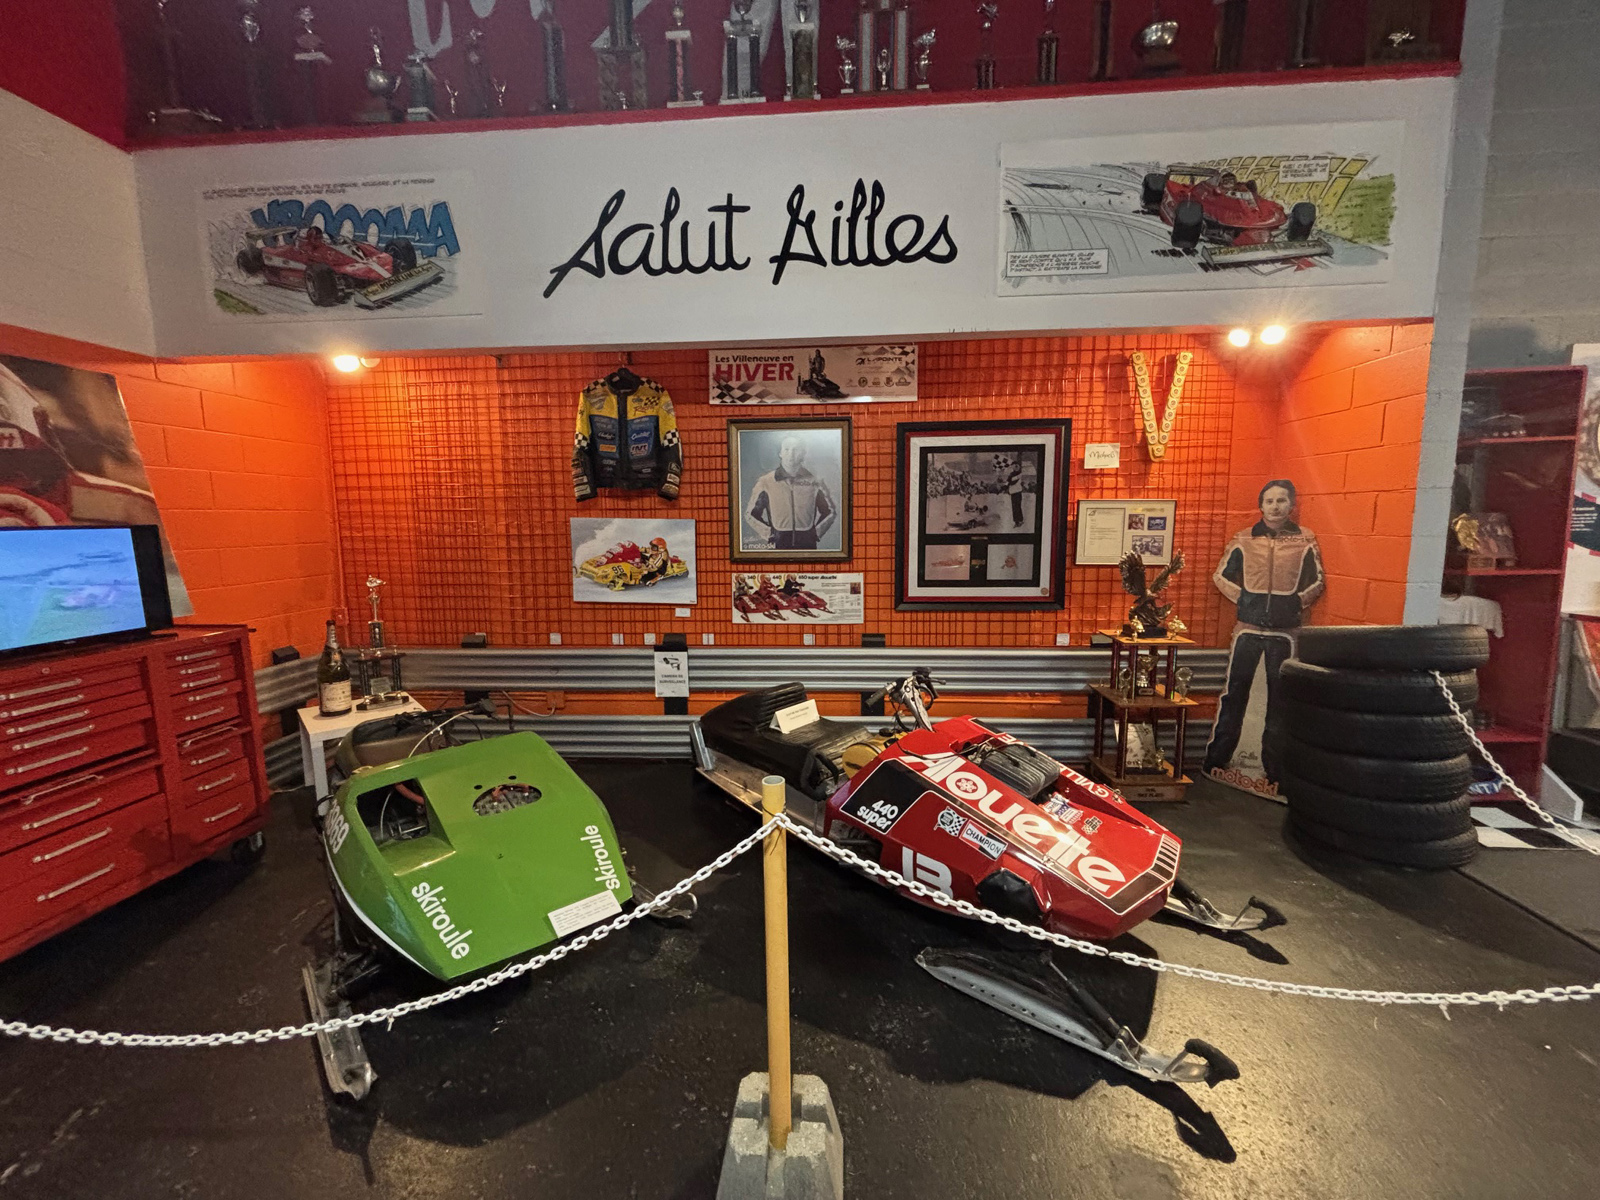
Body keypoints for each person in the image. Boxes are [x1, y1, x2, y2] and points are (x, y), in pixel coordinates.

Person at [1202, 479, 1324, 785]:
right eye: (1269, 501)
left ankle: (1274, 770)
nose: (1275, 506)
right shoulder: (1244, 538)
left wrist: (1295, 602)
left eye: (1281, 500)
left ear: (1291, 504)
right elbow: (1220, 575)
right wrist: (1244, 599)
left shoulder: (1305, 539)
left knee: (1280, 700)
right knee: (1234, 694)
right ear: (1260, 505)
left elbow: (1317, 581)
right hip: (1247, 629)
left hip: (1285, 633)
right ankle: (1217, 758)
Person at [744, 435, 836, 551]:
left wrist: (815, 533)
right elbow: (751, 514)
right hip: (778, 546)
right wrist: (769, 534)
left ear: (803, 454)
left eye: (796, 449)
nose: (791, 454)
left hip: (807, 546)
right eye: (786, 449)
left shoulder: (815, 482)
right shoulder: (766, 482)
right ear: (780, 453)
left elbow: (830, 511)